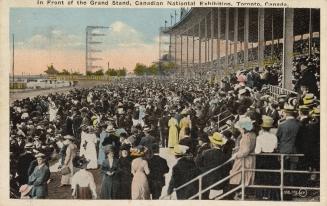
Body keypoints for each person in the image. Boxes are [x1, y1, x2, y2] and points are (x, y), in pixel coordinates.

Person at [229, 117, 257, 200]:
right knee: (245, 175)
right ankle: (242, 192)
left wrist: (236, 155)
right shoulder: (253, 134)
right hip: (249, 158)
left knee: (239, 175)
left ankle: (240, 193)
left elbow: (245, 151)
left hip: (244, 159)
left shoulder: (247, 136)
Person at [195, 132, 228, 199]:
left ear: (213, 143)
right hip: (219, 184)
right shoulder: (225, 156)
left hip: (206, 182)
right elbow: (226, 170)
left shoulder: (205, 153)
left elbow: (197, 163)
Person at [254, 115, 279, 200]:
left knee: (262, 176)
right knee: (271, 176)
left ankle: (262, 194)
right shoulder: (274, 137)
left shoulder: (259, 137)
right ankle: (270, 195)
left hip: (263, 158)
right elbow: (275, 147)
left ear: (262, 128)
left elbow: (257, 151)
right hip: (272, 158)